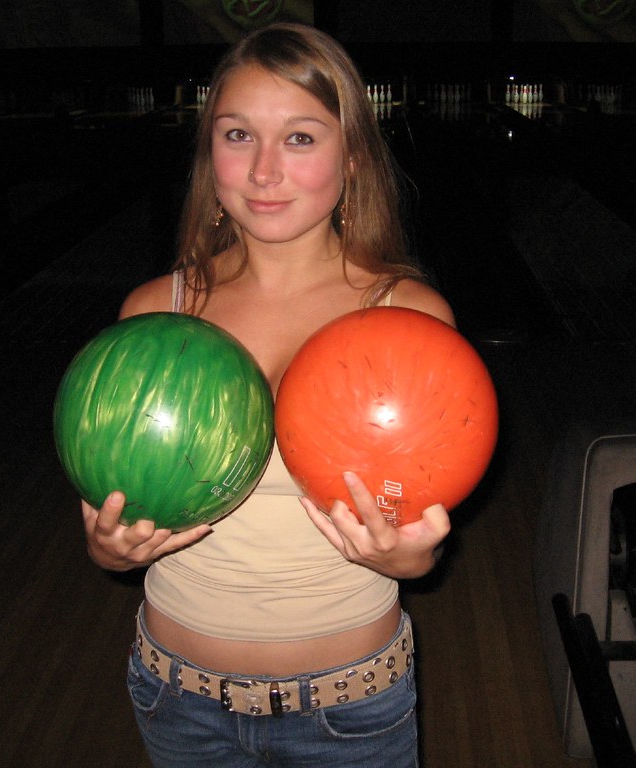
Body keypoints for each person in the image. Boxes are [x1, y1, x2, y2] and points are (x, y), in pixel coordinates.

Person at [81, 22, 455, 768]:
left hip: (350, 706)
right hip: (176, 697)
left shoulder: (409, 322)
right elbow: (108, 523)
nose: (262, 172)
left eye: (301, 138)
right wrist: (107, 547)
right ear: (208, 154)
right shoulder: (156, 315)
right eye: (238, 134)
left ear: (352, 159)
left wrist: (411, 560)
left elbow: (417, 536)